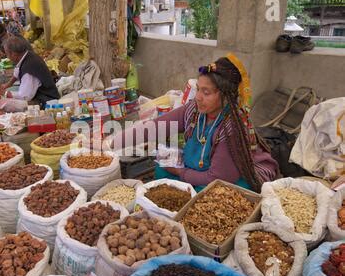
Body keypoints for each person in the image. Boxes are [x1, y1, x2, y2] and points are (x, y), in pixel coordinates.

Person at [111, 54, 279, 193]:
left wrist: (179, 171)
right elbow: (154, 128)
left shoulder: (231, 127)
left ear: (226, 96)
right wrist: (111, 143)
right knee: (161, 170)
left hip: (227, 178)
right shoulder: (194, 110)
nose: (198, 96)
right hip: (200, 170)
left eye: (206, 92)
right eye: (198, 89)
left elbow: (216, 179)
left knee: (216, 194)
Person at [0, 36, 60, 108]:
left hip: (46, 100)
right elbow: (17, 71)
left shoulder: (29, 68)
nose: (7, 57)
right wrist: (7, 85)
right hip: (39, 95)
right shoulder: (26, 55)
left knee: (6, 105)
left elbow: (24, 96)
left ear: (14, 54)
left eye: (7, 54)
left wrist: (4, 93)